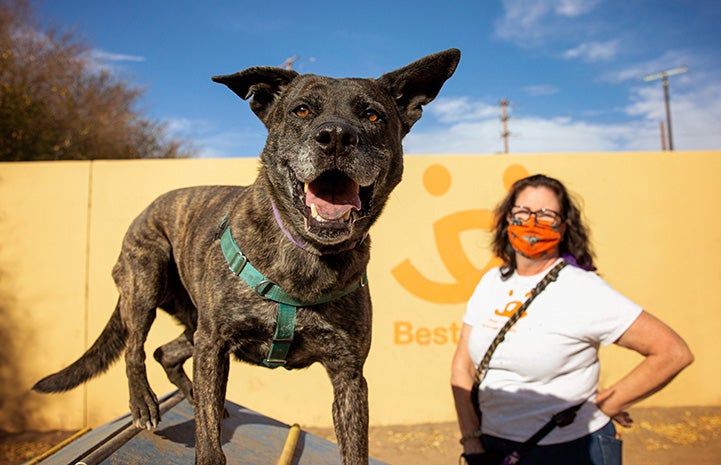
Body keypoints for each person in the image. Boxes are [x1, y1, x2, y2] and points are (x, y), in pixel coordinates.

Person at [451, 174, 693, 465]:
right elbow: (461, 368)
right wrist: (472, 441)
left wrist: (608, 403)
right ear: (507, 220)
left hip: (570, 448)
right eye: (523, 212)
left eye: (546, 214)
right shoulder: (491, 283)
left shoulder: (583, 288)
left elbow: (672, 352)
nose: (532, 221)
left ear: (563, 227)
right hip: (493, 447)